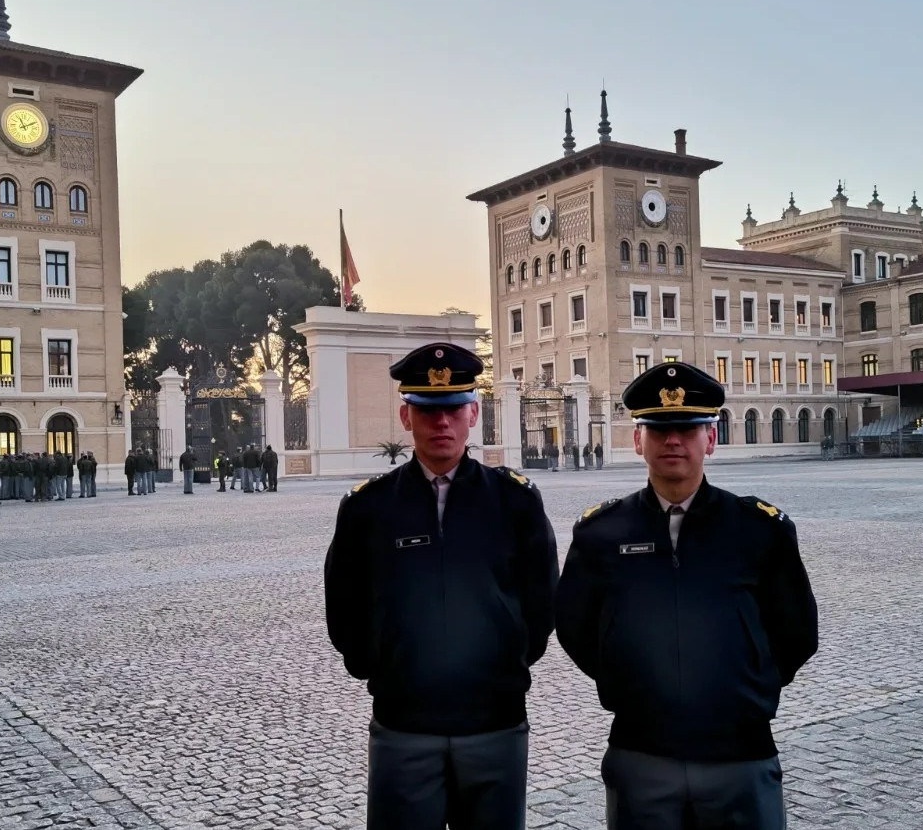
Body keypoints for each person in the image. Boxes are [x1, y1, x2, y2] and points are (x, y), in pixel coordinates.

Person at [555, 361, 818, 830]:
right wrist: (629, 678)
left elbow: (796, 630)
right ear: (639, 441)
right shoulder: (601, 532)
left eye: (686, 428)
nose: (672, 440)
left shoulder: (759, 530)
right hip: (641, 752)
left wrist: (748, 687)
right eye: (658, 430)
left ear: (709, 440)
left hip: (740, 754)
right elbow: (576, 627)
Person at [325, 342, 559, 830]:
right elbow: (344, 605)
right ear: (406, 416)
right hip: (403, 728)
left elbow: (542, 603)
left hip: (495, 726)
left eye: (453, 409)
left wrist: (507, 661)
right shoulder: (368, 508)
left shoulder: (515, 503)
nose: (442, 424)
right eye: (428, 411)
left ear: (473, 413)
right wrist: (381, 668)